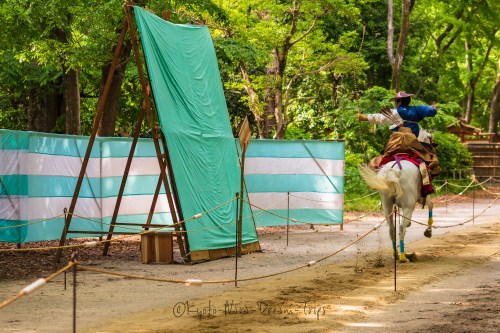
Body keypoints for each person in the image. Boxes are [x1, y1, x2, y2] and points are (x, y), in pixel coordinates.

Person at [358, 91, 441, 180]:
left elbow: (379, 118)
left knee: (381, 158)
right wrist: (433, 108)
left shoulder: (395, 112)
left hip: (396, 143)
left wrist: (363, 117)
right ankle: (426, 181)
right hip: (414, 143)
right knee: (428, 156)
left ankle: (377, 178)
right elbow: (431, 111)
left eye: (395, 102)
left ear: (399, 102)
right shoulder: (417, 109)